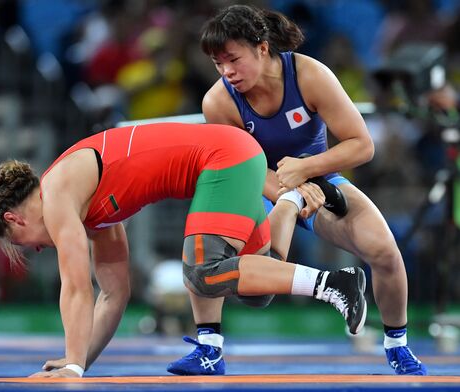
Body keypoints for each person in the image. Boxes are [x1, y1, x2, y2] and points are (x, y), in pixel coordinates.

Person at [0, 122, 367, 378]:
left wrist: (69, 366)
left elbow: (76, 288)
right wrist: (78, 363)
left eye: (24, 243)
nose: (36, 249)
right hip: (232, 158)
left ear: (15, 218)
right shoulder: (90, 214)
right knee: (259, 287)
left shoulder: (56, 196)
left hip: (223, 159)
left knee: (202, 269)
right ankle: (291, 205)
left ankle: (336, 282)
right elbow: (114, 295)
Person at [168, 5, 427, 376]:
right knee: (203, 248)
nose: (227, 72)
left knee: (385, 252)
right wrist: (291, 191)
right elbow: (247, 167)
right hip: (258, 185)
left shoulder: (309, 74)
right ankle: (209, 348)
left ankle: (397, 347)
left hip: (320, 180)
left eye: (233, 60)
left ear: (261, 47)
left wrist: (305, 169)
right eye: (217, 64)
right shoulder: (219, 101)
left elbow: (361, 145)